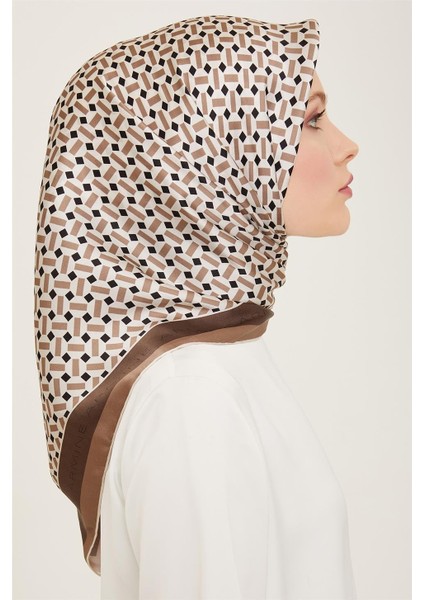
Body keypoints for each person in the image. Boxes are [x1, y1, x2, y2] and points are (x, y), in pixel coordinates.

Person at [33, 14, 359, 600]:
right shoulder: (190, 396)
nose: (346, 146)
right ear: (206, 160)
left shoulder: (221, 360)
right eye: (312, 119)